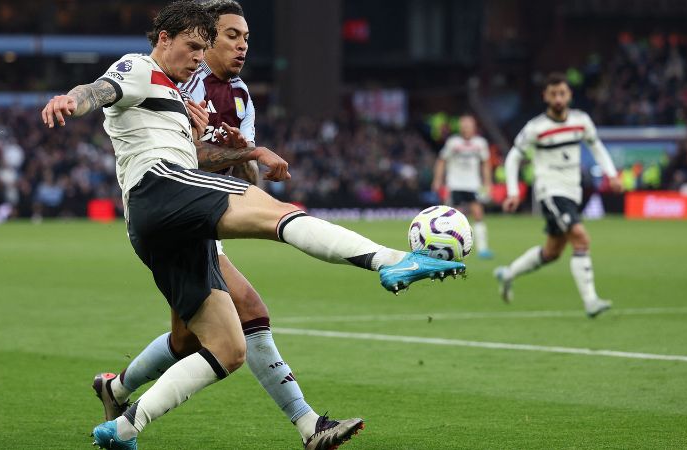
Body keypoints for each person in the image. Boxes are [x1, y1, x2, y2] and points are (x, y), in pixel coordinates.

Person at [40, 2, 465, 449]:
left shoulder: (186, 96)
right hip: (161, 189)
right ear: (163, 38)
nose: (198, 57)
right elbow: (100, 89)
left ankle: (124, 425)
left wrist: (239, 149)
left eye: (204, 49)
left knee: (226, 347)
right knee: (277, 213)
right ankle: (392, 261)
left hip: (163, 224)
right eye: (193, 46)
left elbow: (202, 156)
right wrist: (72, 99)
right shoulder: (138, 68)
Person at [90, 2, 362, 449]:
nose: (242, 46)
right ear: (206, 38)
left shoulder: (239, 97)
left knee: (187, 340)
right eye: (232, 35)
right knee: (250, 311)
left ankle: (116, 388)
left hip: (211, 214)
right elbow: (173, 146)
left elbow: (246, 177)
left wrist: (243, 152)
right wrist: (229, 149)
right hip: (177, 208)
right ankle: (308, 424)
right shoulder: (176, 74)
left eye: (247, 38)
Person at [494, 73, 621, 318]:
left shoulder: (581, 121)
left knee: (552, 252)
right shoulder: (536, 128)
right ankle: (591, 301)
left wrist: (612, 174)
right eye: (553, 94)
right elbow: (513, 157)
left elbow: (597, 147)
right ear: (545, 97)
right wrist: (512, 191)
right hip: (550, 191)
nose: (558, 98)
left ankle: (508, 274)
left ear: (569, 95)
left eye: (562, 93)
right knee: (581, 239)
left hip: (573, 191)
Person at [431, 114, 494, 258]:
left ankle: (483, 249)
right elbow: (442, 160)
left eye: (469, 126)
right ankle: (452, 248)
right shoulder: (453, 142)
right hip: (455, 184)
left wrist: (488, 183)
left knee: (478, 214)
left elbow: (485, 164)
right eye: (464, 126)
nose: (466, 128)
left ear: (474, 127)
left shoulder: (480, 143)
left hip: (473, 185)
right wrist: (437, 180)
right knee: (455, 218)